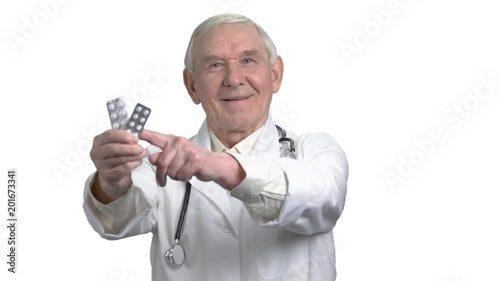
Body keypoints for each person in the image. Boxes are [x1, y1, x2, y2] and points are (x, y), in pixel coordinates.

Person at [83, 13, 348, 281]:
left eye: (248, 60)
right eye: (215, 65)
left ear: (275, 74)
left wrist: (220, 166)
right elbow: (118, 219)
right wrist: (112, 181)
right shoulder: (160, 163)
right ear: (192, 86)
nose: (233, 79)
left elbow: (324, 198)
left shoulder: (314, 150)